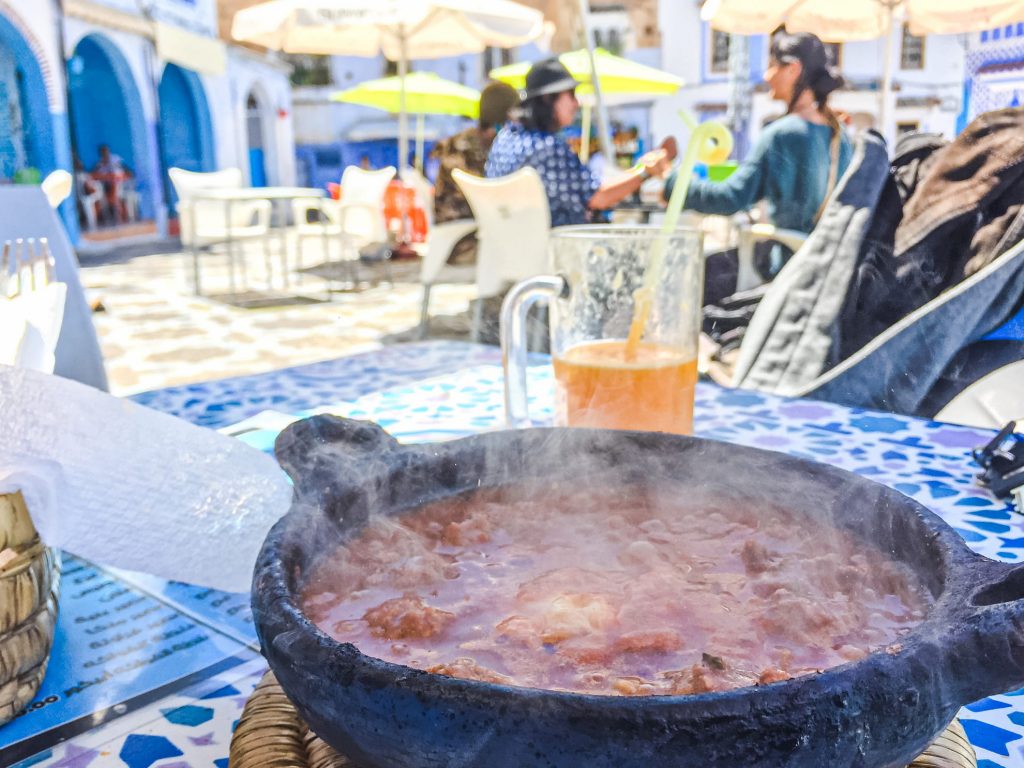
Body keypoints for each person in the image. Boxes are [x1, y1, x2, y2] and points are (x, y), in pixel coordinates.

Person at [664, 30, 853, 304]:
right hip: (828, 271)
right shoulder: (841, 136)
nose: (767, 76)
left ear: (793, 70)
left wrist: (671, 181)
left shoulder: (783, 134)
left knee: (693, 280)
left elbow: (730, 198)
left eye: (773, 65)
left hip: (788, 271)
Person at [485, 58, 671, 227]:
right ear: (548, 98)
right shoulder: (547, 148)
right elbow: (599, 197)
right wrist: (645, 172)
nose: (577, 103)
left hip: (514, 249)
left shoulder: (505, 138)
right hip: (557, 252)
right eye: (571, 94)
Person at [431, 81, 520, 263]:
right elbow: (489, 197)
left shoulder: (474, 143)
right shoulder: (463, 148)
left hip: (477, 234)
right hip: (462, 242)